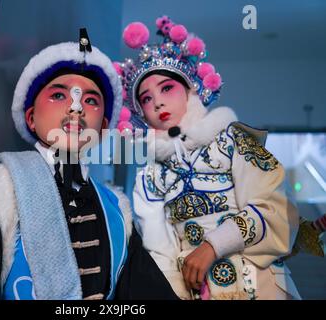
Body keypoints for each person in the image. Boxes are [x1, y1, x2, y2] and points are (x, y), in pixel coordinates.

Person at [0, 30, 178, 300]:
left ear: (103, 128)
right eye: (58, 96)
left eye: (91, 100)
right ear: (31, 118)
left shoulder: (116, 209)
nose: (76, 108)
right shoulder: (0, 188)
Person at [117, 16, 301, 300]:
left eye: (167, 88)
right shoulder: (150, 177)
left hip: (259, 284)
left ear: (191, 90)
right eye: (146, 98)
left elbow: (273, 208)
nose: (158, 102)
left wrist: (213, 245)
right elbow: (160, 252)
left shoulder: (234, 141)